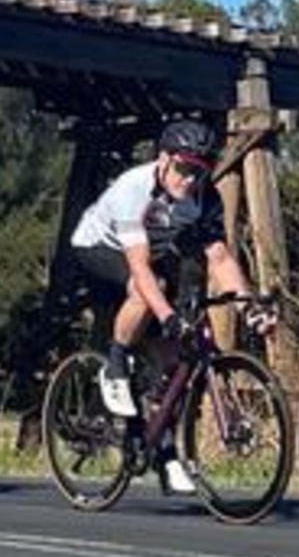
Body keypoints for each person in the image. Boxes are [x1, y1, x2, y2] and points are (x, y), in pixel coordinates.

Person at [70, 119, 276, 493]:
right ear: (163, 160)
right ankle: (114, 364)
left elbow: (220, 257)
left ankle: (161, 449)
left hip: (158, 251)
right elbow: (140, 270)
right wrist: (166, 316)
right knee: (151, 289)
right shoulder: (134, 188)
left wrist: (248, 306)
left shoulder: (204, 197)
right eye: (182, 169)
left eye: (199, 172)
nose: (189, 180)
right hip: (100, 249)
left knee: (171, 357)